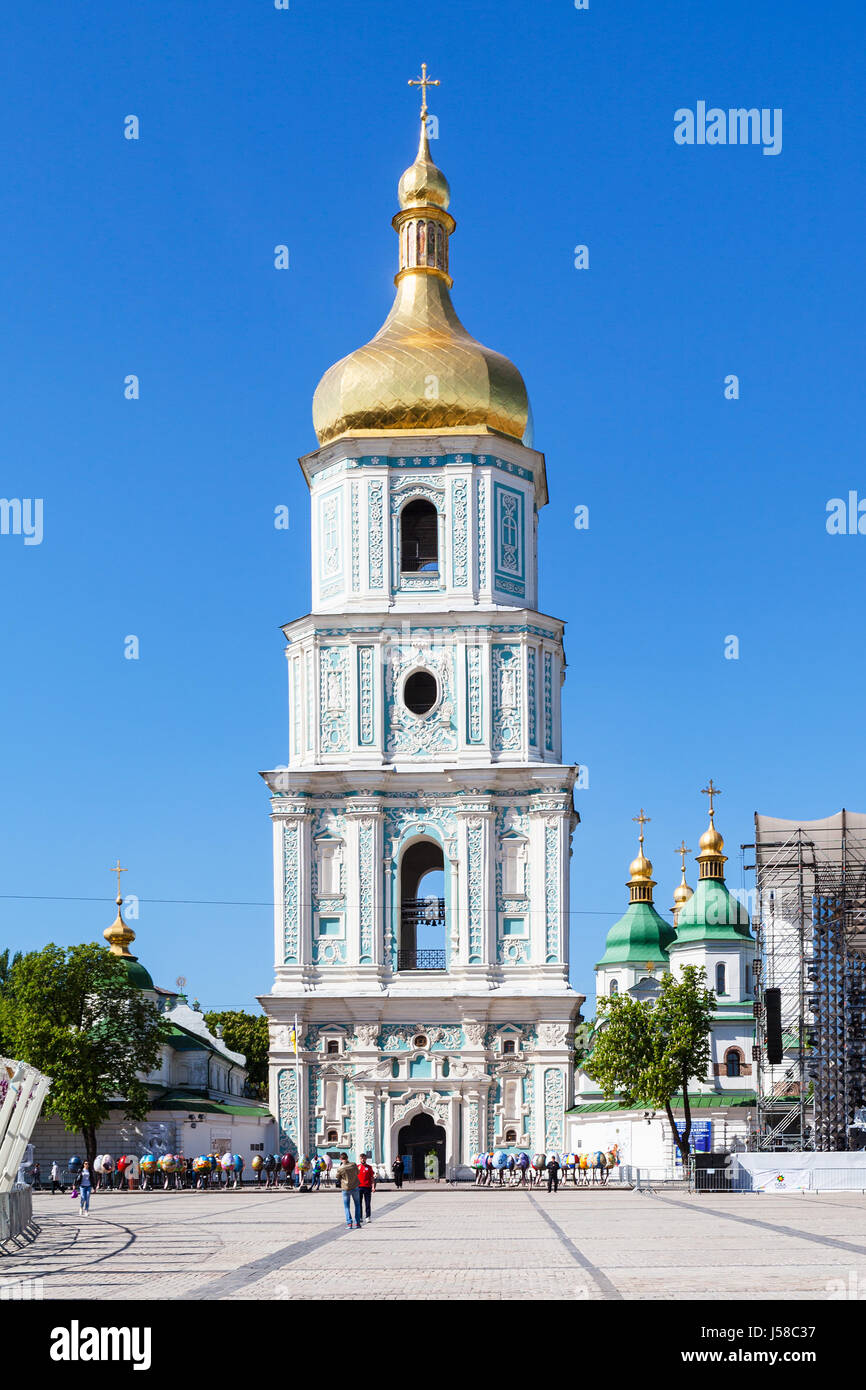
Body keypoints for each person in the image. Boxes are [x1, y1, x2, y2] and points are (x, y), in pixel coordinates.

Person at [335, 1152, 362, 1229]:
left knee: (347, 1206)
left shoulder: (340, 1168)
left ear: (340, 1159)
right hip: (355, 1186)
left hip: (346, 1188)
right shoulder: (353, 1165)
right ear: (347, 1158)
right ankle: (357, 1223)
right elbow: (358, 1172)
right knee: (357, 1205)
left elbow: (337, 1177)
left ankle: (349, 1223)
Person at [357, 1153, 375, 1222]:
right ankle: (360, 1217)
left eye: (364, 1158)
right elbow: (354, 1177)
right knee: (359, 1203)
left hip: (367, 1187)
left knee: (367, 1203)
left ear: (366, 1159)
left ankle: (368, 1216)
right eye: (361, 1158)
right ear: (360, 1159)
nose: (362, 1160)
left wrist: (373, 1187)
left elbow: (372, 1178)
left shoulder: (369, 1167)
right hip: (359, 1187)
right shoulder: (357, 1167)